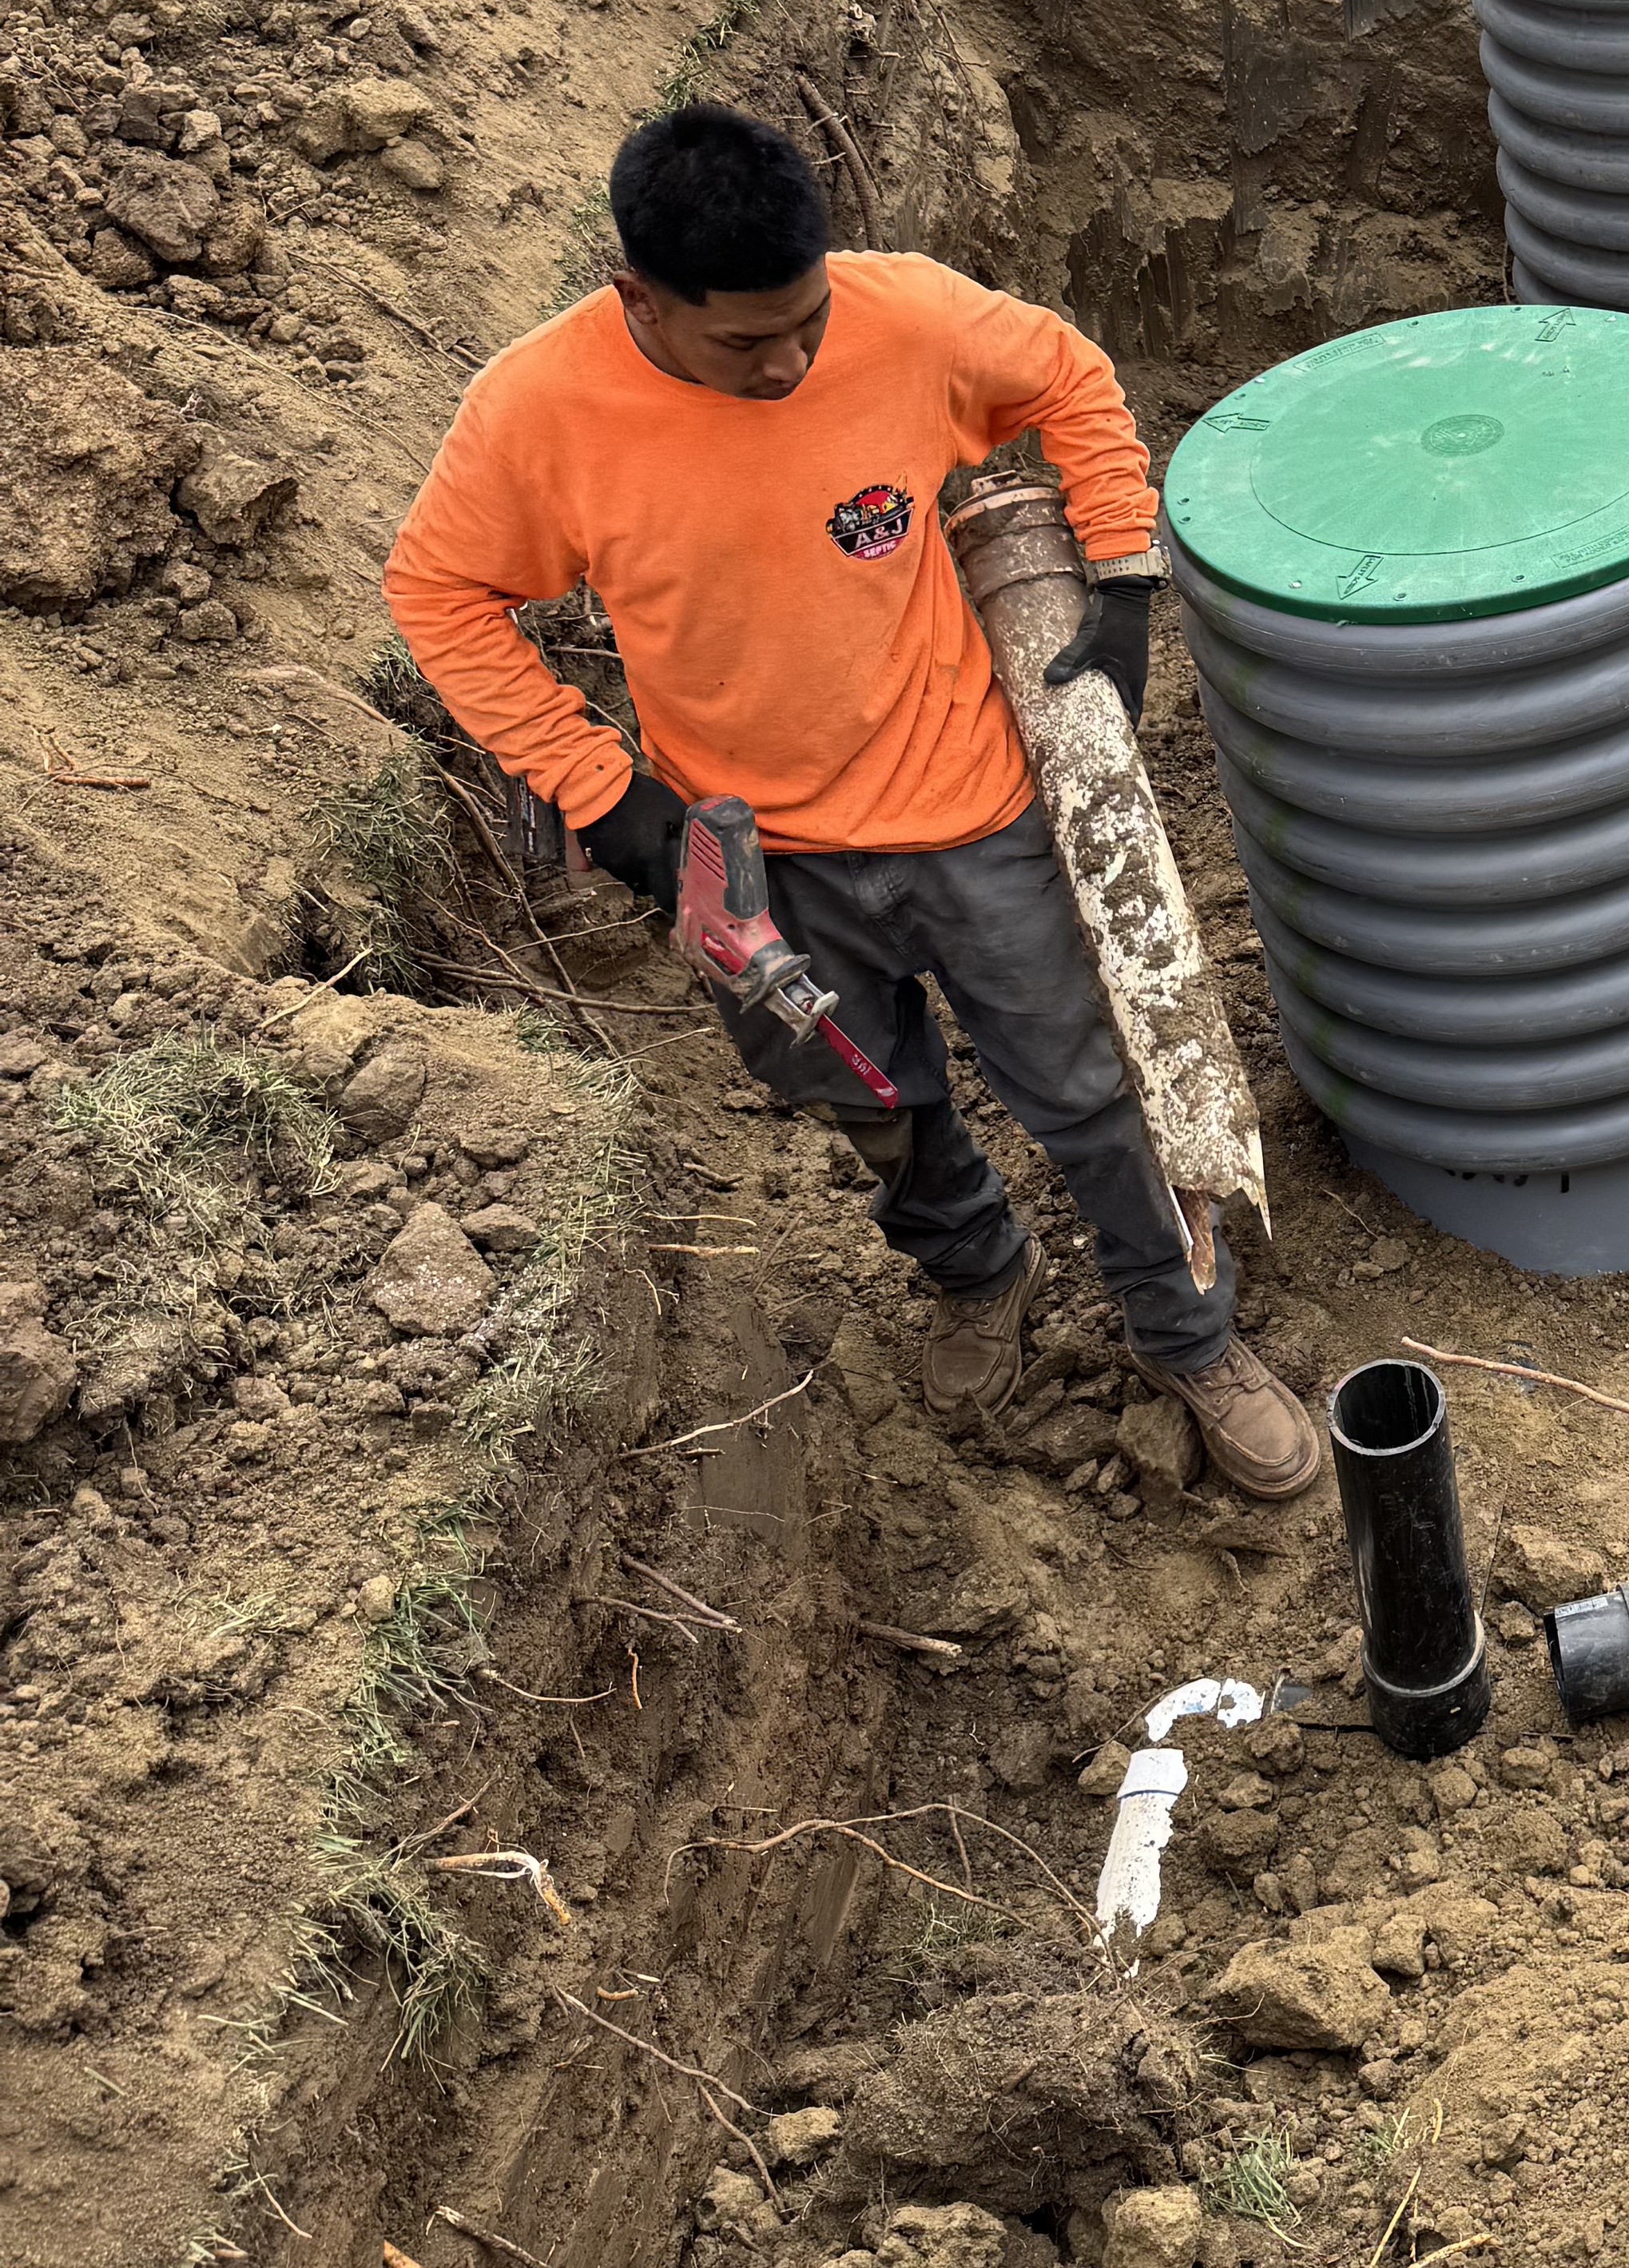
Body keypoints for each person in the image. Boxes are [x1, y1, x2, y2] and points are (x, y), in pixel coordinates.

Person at [383, 102, 1322, 1502]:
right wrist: (603, 793)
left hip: (973, 813)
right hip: (762, 862)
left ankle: (1186, 1331)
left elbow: (1065, 371)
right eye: (744, 343)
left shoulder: (907, 320)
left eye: (805, 323)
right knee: (870, 1098)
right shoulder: (540, 412)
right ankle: (975, 1270)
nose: (791, 363)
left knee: (1088, 1092)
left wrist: (1120, 563)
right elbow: (438, 592)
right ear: (637, 294)